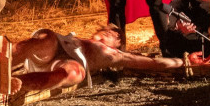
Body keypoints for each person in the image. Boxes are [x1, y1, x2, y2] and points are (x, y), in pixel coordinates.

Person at [12, 26, 191, 94]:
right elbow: (52, 41)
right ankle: (1, 62)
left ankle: (17, 83)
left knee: (75, 73)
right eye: (108, 28)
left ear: (118, 43)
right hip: (58, 45)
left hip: (69, 63)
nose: (110, 31)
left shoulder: (116, 56)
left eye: (115, 34)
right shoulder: (80, 39)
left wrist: (184, 62)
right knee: (46, 39)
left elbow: (154, 63)